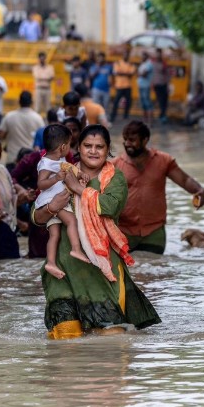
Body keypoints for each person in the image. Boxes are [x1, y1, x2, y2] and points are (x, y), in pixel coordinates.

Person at [33, 124, 161, 339]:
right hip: (64, 270)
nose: (93, 151)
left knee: (111, 338)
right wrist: (52, 208)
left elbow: (109, 207)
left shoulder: (115, 178)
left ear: (108, 149)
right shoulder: (63, 171)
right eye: (87, 146)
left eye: (99, 147)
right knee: (66, 340)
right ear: (78, 147)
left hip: (101, 273)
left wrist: (78, 188)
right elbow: (37, 218)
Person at [113, 121, 204, 254]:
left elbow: (185, 180)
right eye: (125, 140)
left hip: (154, 232)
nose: (127, 144)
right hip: (124, 231)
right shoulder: (115, 165)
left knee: (155, 268)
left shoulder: (163, 160)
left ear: (145, 140)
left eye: (132, 140)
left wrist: (199, 190)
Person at [35, 124, 90, 278]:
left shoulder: (60, 159)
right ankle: (76, 248)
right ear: (63, 146)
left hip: (54, 203)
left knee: (54, 235)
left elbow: (70, 169)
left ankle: (51, 263)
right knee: (72, 221)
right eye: (70, 145)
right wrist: (56, 178)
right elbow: (40, 184)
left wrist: (80, 174)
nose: (71, 149)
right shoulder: (45, 163)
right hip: (52, 201)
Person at [0, 91, 44, 161]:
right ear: (31, 102)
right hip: (30, 159)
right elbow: (43, 138)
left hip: (13, 158)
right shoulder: (38, 118)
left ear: (19, 101)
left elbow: (0, 135)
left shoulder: (9, 116)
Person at [111, 47, 136, 121]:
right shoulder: (118, 62)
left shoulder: (131, 64)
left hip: (127, 86)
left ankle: (126, 115)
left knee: (128, 102)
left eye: (127, 54)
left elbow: (131, 74)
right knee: (116, 101)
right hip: (119, 86)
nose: (126, 56)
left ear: (128, 56)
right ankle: (113, 116)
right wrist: (126, 73)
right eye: (125, 54)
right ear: (123, 55)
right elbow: (116, 73)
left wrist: (121, 73)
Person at [152, 49, 172, 124]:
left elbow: (167, 74)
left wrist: (168, 84)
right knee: (160, 101)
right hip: (157, 85)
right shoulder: (153, 63)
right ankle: (162, 116)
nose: (158, 55)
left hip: (164, 84)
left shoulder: (164, 64)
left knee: (165, 101)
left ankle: (162, 115)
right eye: (157, 54)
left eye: (159, 54)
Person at [137, 52, 154, 127]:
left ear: (146, 57)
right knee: (143, 104)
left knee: (148, 104)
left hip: (146, 86)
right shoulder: (143, 64)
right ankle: (145, 121)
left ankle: (150, 122)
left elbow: (144, 74)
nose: (142, 57)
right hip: (141, 86)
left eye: (143, 56)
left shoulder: (149, 64)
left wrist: (139, 74)